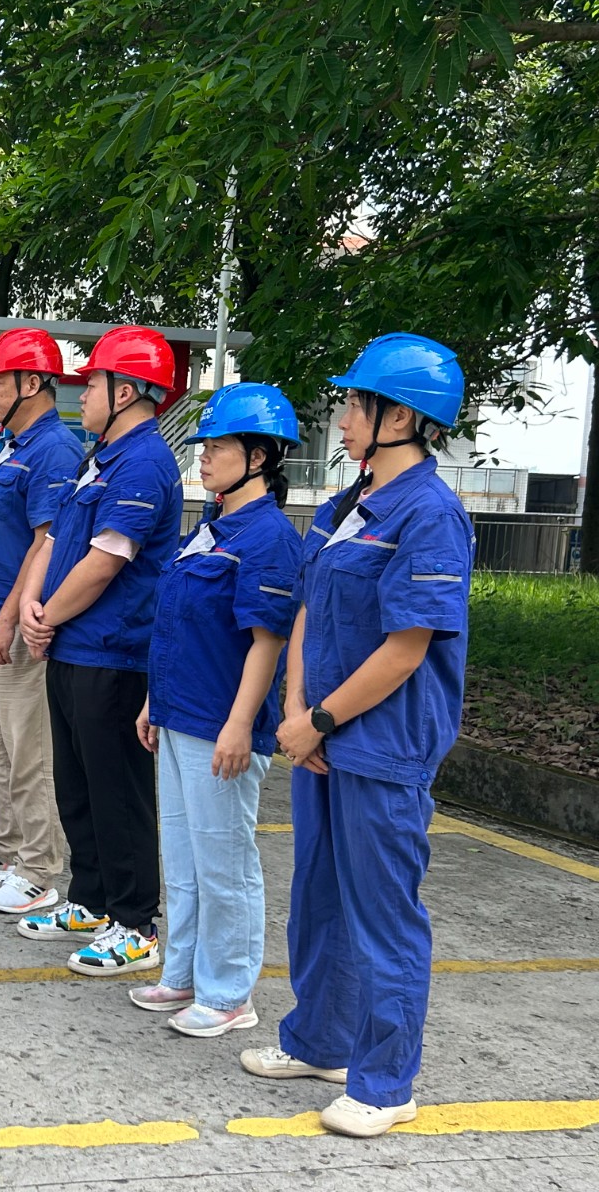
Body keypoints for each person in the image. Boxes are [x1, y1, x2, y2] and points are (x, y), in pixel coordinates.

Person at [242, 334, 473, 1139]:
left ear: (399, 418)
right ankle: (319, 1042)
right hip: (322, 737)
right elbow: (309, 606)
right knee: (319, 900)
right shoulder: (349, 505)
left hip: (382, 746)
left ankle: (384, 1083)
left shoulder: (431, 514)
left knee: (382, 917)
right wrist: (297, 710)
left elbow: (407, 648)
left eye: (353, 405)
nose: (341, 420)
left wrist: (320, 719)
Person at [129, 383, 304, 1038]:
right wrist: (155, 699)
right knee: (184, 856)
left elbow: (268, 640)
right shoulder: (212, 528)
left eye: (218, 446)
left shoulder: (269, 539)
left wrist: (239, 725)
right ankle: (184, 974)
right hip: (180, 714)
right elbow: (179, 623)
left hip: (220, 725)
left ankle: (230, 993)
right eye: (203, 446)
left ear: (259, 457)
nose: (203, 456)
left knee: (225, 862)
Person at [18, 325, 183, 969]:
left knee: (118, 790)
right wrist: (36, 610)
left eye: (93, 383)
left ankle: (136, 921)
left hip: (113, 651)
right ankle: (91, 898)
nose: (82, 394)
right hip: (73, 645)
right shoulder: (101, 457)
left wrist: (45, 617)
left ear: (128, 391)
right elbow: (57, 541)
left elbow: (107, 560)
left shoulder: (144, 462)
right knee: (78, 784)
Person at [0, 328, 84, 913]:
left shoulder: (54, 450)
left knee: (29, 748)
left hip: (15, 623)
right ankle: (6, 844)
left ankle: (40, 867)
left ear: (32, 383)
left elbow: (44, 542)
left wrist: (5, 618)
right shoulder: (11, 445)